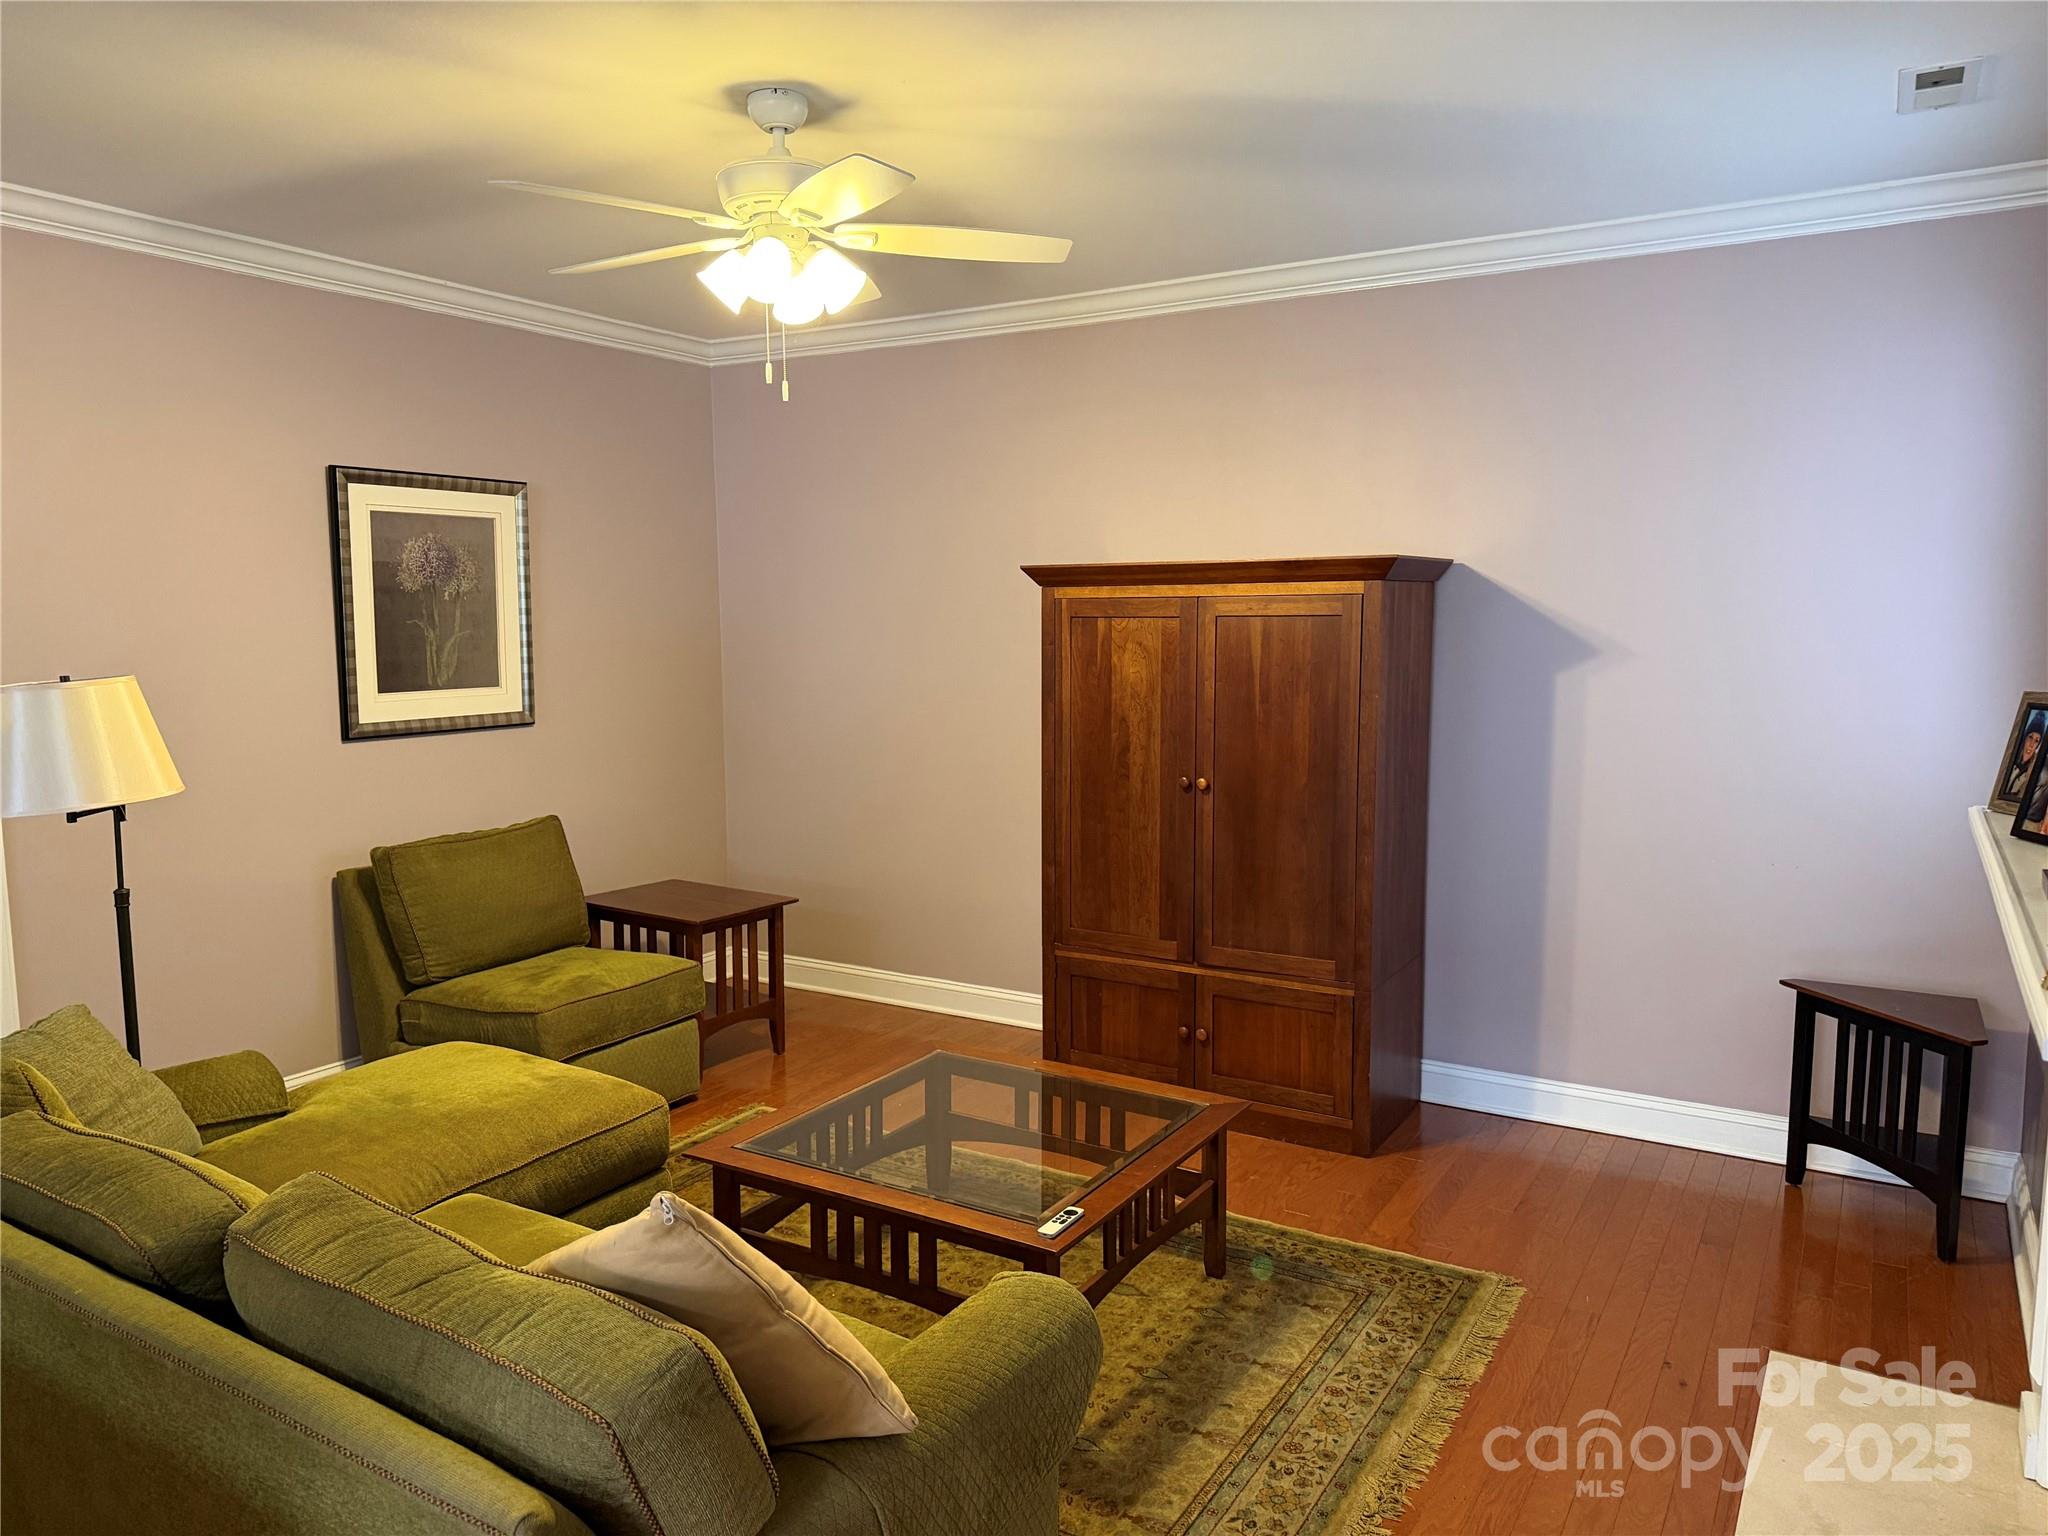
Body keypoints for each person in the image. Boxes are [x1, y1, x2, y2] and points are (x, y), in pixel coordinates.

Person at [2005, 714, 2044, 800]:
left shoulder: (2033, 771)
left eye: (2036, 741)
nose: (2031, 744)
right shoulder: (2010, 759)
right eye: (2030, 737)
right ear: (2024, 738)